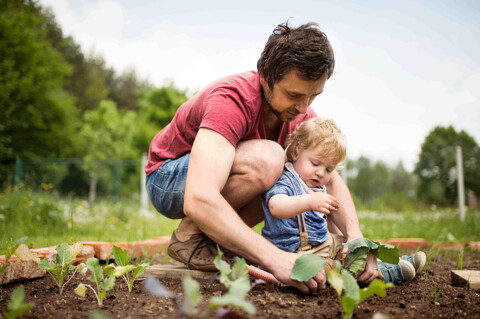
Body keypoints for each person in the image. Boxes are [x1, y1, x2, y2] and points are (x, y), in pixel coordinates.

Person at [145, 21, 379, 294]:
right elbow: (199, 197)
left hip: (214, 182)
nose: (303, 107)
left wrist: (356, 239)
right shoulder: (232, 100)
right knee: (270, 159)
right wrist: (274, 258)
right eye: (294, 94)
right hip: (167, 177)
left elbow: (329, 179)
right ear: (265, 76)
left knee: (301, 168)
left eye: (313, 96)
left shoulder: (299, 116)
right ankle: (189, 237)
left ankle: (216, 243)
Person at [261, 118, 427, 284]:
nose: (320, 173)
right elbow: (276, 206)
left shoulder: (316, 185)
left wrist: (352, 243)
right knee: (335, 266)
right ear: (297, 152)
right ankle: (384, 273)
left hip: (321, 245)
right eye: (315, 163)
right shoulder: (287, 180)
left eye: (329, 169)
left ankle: (381, 263)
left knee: (352, 249)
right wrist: (308, 201)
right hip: (293, 253)